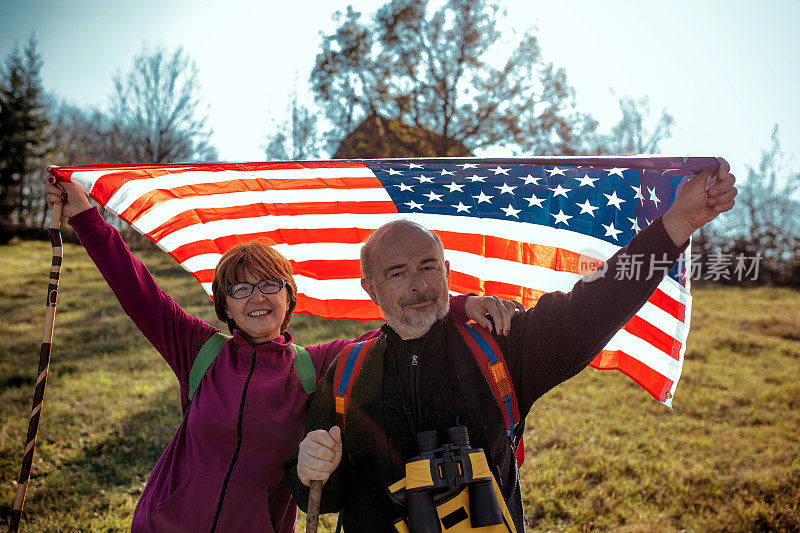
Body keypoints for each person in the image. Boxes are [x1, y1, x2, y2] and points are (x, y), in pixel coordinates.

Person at [44, 177, 521, 533]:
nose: (257, 297)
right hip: (165, 525)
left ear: (288, 297)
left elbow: (403, 322)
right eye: (241, 288)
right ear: (224, 305)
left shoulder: (320, 364)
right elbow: (136, 288)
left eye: (270, 284)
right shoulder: (198, 352)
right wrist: (86, 216)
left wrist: (458, 305)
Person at [285, 161, 738, 532]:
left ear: (446, 269)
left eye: (428, 266)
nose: (419, 285)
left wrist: (677, 223)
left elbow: (594, 307)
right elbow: (320, 498)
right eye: (398, 273)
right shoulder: (344, 374)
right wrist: (308, 470)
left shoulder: (500, 346)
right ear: (370, 288)